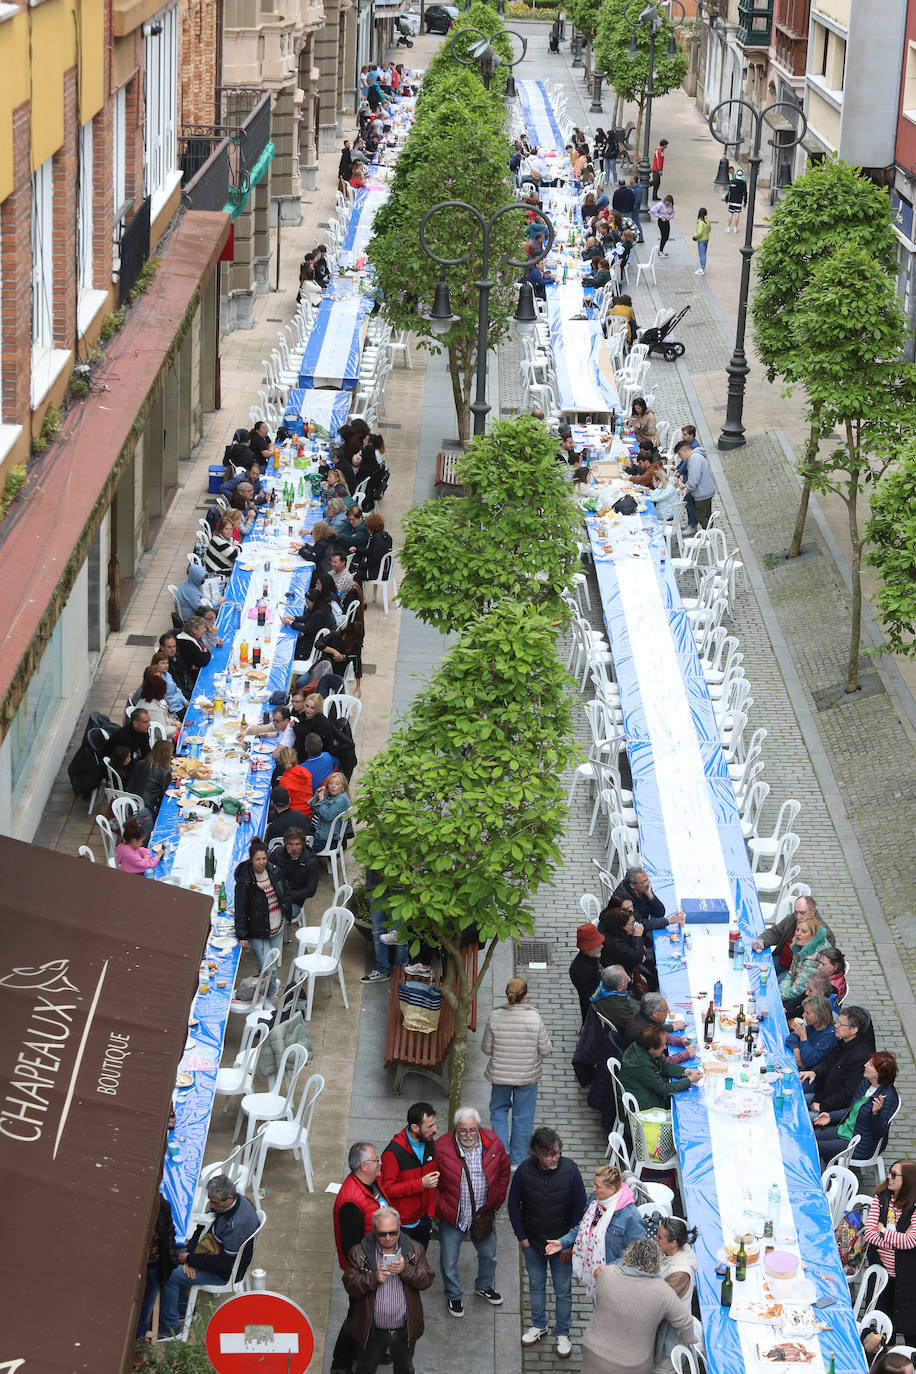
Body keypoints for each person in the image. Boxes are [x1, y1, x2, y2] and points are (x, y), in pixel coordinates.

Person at [508, 1127, 587, 1358]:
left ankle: (563, 1332)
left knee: (563, 1291)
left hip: (561, 1246)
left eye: (557, 1153)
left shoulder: (571, 1171)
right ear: (537, 1154)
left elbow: (579, 1210)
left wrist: (568, 1243)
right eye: (550, 1154)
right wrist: (522, 1239)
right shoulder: (523, 1171)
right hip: (533, 1244)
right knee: (536, 1286)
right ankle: (539, 1325)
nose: (555, 1158)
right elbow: (514, 1206)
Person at [158, 1175, 259, 1337]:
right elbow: (200, 1228)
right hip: (209, 1249)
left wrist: (190, 1260)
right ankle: (182, 1309)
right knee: (171, 1252)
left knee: (172, 1275)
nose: (210, 1206)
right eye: (210, 1201)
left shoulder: (237, 1223)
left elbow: (223, 1264)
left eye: (215, 1203)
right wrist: (190, 1254)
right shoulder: (222, 1204)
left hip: (225, 1272)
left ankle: (171, 1328)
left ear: (230, 1198)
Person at [434, 1106, 510, 1316]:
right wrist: (440, 1207)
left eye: (472, 1130)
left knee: (489, 1255)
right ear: (455, 1129)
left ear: (479, 1128)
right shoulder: (440, 1148)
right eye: (462, 1130)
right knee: (448, 1260)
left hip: (483, 1215)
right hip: (453, 1217)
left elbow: (504, 1171)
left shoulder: (493, 1142)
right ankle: (454, 1296)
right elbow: (432, 1183)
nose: (468, 1135)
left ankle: (484, 1286)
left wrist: (497, 1201)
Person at [582, 1236, 695, 1374]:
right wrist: (691, 1340)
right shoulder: (662, 1291)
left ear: (628, 1254)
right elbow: (686, 1321)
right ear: (655, 1263)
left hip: (593, 1352)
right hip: (633, 1364)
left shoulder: (607, 1273)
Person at [342, 1206, 434, 1374]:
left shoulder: (415, 1249)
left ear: (399, 1228)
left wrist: (405, 1270)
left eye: (393, 1232)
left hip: (404, 1331)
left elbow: (427, 1280)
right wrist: (374, 1278)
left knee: (404, 1368)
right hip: (371, 1331)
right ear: (374, 1231)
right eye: (382, 1233)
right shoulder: (359, 1252)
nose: (388, 1238)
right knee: (365, 1369)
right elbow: (350, 1285)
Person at [481, 977, 552, 1168]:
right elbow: (545, 1050)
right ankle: (518, 1159)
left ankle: (501, 1154)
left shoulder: (495, 1016)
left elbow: (486, 1049)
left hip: (500, 1076)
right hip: (527, 1076)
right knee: (523, 1116)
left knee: (498, 1111)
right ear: (525, 996)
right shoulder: (534, 1018)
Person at [566, 1165, 647, 1301]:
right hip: (597, 1276)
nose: (593, 1189)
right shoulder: (596, 1200)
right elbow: (584, 1227)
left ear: (612, 1189)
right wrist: (562, 1242)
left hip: (617, 1284)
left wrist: (609, 1268)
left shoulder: (631, 1217)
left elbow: (637, 1255)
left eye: (598, 1187)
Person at [863, 1160, 916, 1345]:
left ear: (908, 1180)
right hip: (882, 1273)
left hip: (908, 1278)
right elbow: (869, 1233)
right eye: (889, 1172)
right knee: (882, 1325)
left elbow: (911, 1241)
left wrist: (884, 1232)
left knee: (910, 1326)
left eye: (894, 1175)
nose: (889, 1177)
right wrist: (896, 1240)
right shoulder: (882, 1197)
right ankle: (883, 1357)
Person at [813, 1052, 900, 1163]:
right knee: (811, 1138)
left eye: (870, 1065)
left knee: (815, 1147)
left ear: (879, 1074)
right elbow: (852, 1109)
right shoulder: (866, 1083)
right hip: (844, 1130)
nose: (865, 1065)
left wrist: (875, 1114)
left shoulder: (888, 1098)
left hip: (859, 1144)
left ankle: (826, 1177)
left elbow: (880, 1133)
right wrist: (830, 1116)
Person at [233, 837, 292, 999]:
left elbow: (284, 892)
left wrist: (287, 913)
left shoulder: (274, 871)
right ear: (251, 860)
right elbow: (241, 908)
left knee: (268, 964)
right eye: (257, 859)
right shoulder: (245, 881)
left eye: (264, 858)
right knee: (269, 966)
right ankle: (271, 995)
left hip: (276, 925)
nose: (261, 862)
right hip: (257, 930)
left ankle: (264, 989)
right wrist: (242, 935)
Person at [380, 1103, 439, 1251]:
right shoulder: (393, 1153)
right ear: (415, 1128)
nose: (435, 1130)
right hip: (400, 1226)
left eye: (435, 1124)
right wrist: (420, 1184)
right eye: (430, 1126)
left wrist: (429, 1214)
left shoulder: (429, 1144)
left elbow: (432, 1184)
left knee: (417, 1266)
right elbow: (387, 1189)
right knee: (394, 1269)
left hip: (423, 1221)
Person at [799, 1005, 873, 1113]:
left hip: (831, 1109)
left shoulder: (860, 1058)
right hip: (822, 1093)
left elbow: (847, 1094)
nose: (836, 1026)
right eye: (837, 1021)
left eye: (840, 1024)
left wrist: (822, 1107)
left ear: (854, 1030)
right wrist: (814, 1072)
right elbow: (828, 1062)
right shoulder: (843, 1041)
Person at [621, 1026, 703, 1110]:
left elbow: (664, 1064)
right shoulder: (641, 1065)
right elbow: (663, 1090)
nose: (665, 1047)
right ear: (651, 1048)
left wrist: (686, 1071)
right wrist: (689, 1080)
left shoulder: (643, 1045)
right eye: (662, 1045)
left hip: (646, 1090)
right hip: (643, 1107)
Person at [137, 1192, 180, 1341]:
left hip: (153, 1266)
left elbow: (169, 1234)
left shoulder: (162, 1205)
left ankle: (138, 1349)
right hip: (133, 1268)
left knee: (145, 1311)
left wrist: (171, 1261)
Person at [751, 894, 834, 971]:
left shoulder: (825, 935)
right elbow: (775, 932)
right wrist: (762, 941)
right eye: (796, 912)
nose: (798, 917)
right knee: (753, 970)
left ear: (813, 912)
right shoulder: (792, 919)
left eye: (802, 913)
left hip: (795, 972)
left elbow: (823, 963)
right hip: (780, 959)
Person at [778, 912, 829, 1008]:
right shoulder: (800, 945)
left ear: (813, 935)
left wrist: (778, 996)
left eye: (804, 931)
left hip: (807, 1000)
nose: (798, 934)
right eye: (797, 930)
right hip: (796, 985)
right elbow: (791, 973)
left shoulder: (812, 959)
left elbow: (799, 990)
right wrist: (780, 991)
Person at [270, 826, 319, 918]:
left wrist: (287, 896)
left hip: (293, 900)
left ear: (303, 844)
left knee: (277, 915)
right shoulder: (277, 853)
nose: (294, 848)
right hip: (273, 894)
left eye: (297, 844)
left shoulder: (310, 861)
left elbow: (311, 890)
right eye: (290, 844)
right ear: (285, 843)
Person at [672, 439, 716, 533]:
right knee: (706, 515)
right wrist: (687, 485)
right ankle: (710, 533)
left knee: (700, 515)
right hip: (707, 490)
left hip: (703, 492)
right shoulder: (696, 456)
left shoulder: (694, 458)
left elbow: (694, 478)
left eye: (680, 454)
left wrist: (687, 489)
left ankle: (708, 534)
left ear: (685, 451)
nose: (681, 457)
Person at [785, 994, 837, 1070]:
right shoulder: (813, 1025)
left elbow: (809, 1060)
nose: (803, 1015)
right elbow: (791, 1038)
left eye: (807, 1013)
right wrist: (797, 1054)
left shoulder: (829, 1036)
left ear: (820, 1015)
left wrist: (803, 1038)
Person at [589, 964, 641, 1036]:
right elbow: (637, 1024)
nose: (629, 979)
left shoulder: (602, 989)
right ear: (619, 988)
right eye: (627, 980)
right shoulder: (619, 1008)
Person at [657, 1217, 699, 1303]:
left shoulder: (680, 1274)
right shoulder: (667, 1251)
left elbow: (660, 1302)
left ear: (673, 1243)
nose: (656, 1238)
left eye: (660, 1237)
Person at [570, 923, 606, 1020]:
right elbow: (594, 999)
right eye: (597, 945)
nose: (601, 946)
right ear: (587, 948)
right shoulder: (585, 972)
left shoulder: (588, 958)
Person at [310, 771, 351, 850]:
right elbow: (311, 805)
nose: (333, 786)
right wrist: (316, 796)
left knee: (301, 849)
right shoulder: (329, 796)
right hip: (319, 834)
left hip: (329, 840)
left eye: (337, 784)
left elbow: (327, 815)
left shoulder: (342, 800)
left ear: (343, 787)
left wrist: (321, 800)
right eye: (331, 783)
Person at [132, 667, 178, 734]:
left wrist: (171, 721)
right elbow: (161, 732)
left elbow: (162, 719)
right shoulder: (153, 709)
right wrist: (176, 728)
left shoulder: (147, 699)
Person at [173, 616, 212, 697]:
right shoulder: (187, 643)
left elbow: (204, 653)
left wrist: (204, 653)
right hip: (190, 677)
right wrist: (205, 653)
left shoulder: (196, 638)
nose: (204, 630)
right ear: (194, 630)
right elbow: (203, 661)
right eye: (202, 628)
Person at [274, 745, 314, 815]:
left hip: (294, 813)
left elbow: (283, 804)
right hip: (308, 811)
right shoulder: (305, 771)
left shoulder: (284, 782)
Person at [726, 168, 748, 233]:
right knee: (737, 214)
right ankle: (735, 228)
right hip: (739, 201)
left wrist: (726, 199)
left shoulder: (732, 181)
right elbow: (745, 193)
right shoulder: (743, 183)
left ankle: (728, 228)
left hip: (732, 200)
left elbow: (728, 191)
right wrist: (745, 202)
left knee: (731, 213)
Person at [693, 206, 711, 275]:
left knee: (701, 254)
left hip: (701, 240)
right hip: (706, 239)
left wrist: (695, 236)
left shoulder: (701, 222)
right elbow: (709, 229)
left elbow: (699, 232)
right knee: (704, 253)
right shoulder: (708, 220)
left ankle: (702, 269)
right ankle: (703, 267)